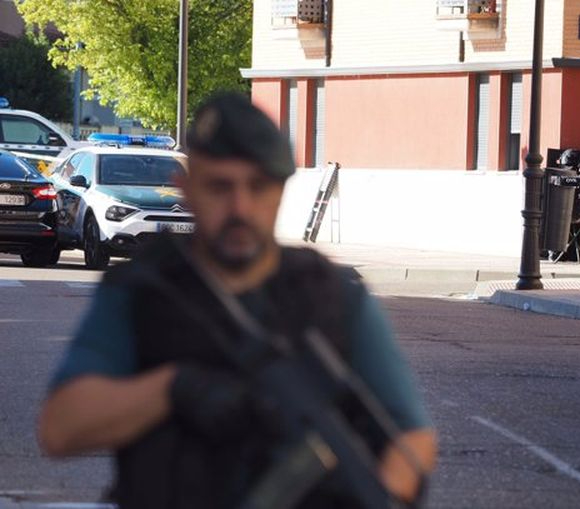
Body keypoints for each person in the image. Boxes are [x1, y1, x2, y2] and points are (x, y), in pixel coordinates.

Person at [38, 92, 437, 508]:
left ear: (281, 192)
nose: (240, 207)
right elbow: (61, 427)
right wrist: (175, 388)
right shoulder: (144, 290)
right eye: (219, 187)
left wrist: (379, 492)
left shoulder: (335, 296)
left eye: (258, 186)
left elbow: (411, 437)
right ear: (186, 189)